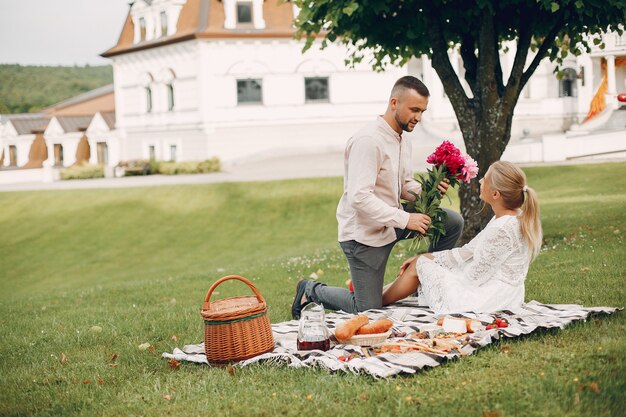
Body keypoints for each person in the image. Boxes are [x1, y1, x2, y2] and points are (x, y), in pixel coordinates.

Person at [291, 76, 464, 319]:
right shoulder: (369, 141)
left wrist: (428, 192)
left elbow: (402, 185)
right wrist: (407, 220)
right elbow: (359, 198)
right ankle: (311, 290)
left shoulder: (401, 138)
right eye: (414, 109)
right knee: (367, 310)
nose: (419, 117)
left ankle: (427, 282)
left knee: (452, 223)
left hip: (392, 222)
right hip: (365, 235)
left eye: (422, 111)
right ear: (394, 102)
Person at [381, 161, 542, 313]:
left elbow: (474, 277)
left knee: (420, 266)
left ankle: (374, 302)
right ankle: (377, 294)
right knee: (421, 263)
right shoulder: (510, 218)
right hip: (501, 294)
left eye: (484, 180)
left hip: (486, 299)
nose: (480, 181)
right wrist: (427, 258)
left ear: (495, 194)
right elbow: (467, 252)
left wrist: (436, 270)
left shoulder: (502, 229)